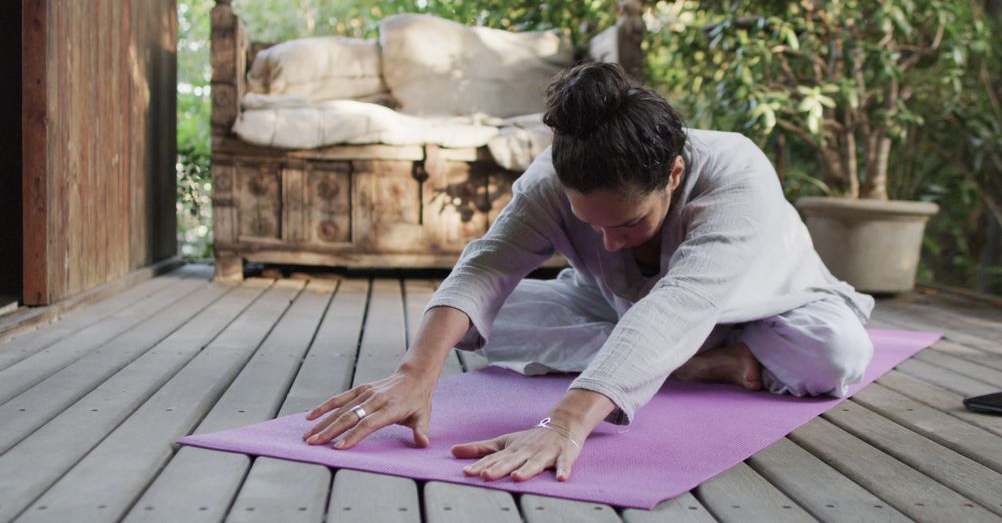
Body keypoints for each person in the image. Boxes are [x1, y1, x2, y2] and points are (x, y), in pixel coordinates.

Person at [302, 62, 875, 484]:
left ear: (673, 175)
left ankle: (687, 360)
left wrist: (566, 421)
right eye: (591, 225)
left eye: (627, 224)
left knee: (837, 351)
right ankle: (671, 364)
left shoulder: (736, 173)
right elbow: (488, 264)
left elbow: (680, 303)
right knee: (483, 324)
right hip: (617, 309)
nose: (609, 241)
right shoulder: (549, 179)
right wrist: (415, 373)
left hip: (765, 313)